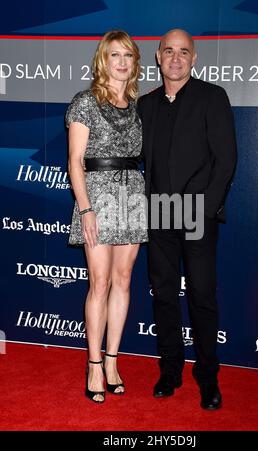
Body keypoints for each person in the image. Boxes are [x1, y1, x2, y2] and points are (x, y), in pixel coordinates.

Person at [138, 29, 237, 410]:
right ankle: (170, 370)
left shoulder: (213, 97)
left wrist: (207, 208)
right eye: (168, 51)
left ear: (194, 59)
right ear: (158, 57)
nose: (175, 58)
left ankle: (208, 376)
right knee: (163, 295)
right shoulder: (146, 106)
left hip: (198, 213)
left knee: (201, 296)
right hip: (158, 211)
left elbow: (226, 160)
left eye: (183, 52)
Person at [66, 30, 148, 403]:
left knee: (124, 278)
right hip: (97, 195)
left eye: (127, 56)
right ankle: (94, 364)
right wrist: (85, 209)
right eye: (114, 55)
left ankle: (113, 359)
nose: (121, 62)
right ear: (103, 60)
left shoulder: (137, 104)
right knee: (99, 283)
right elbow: (75, 162)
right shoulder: (85, 102)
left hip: (132, 193)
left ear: (134, 62)